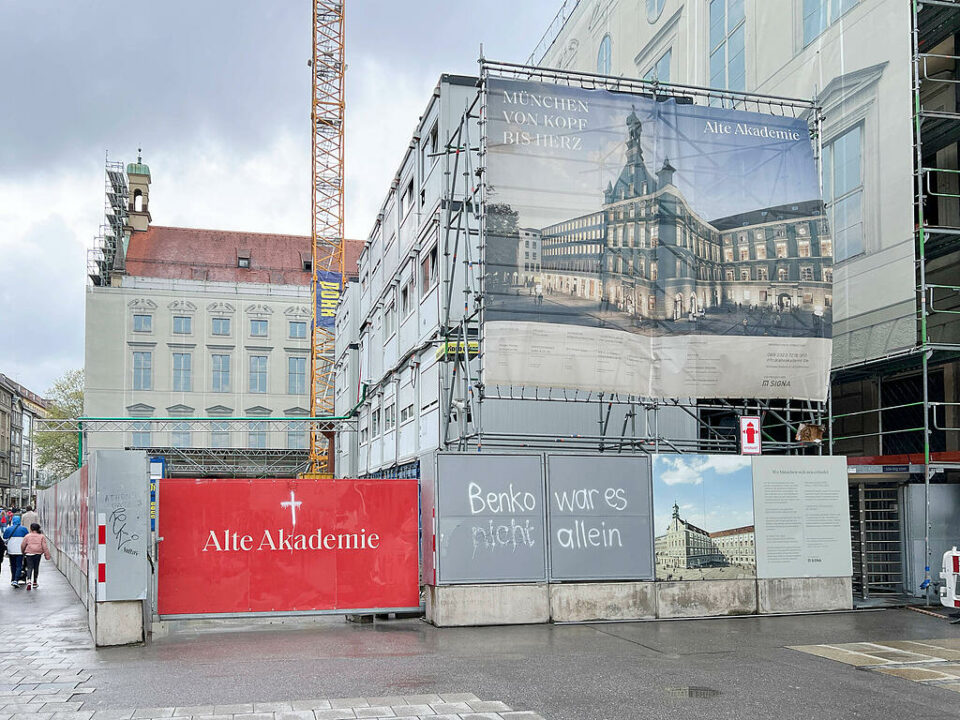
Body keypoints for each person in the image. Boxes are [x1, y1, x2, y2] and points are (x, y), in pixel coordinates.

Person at [20, 523, 50, 591]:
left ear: (31, 528)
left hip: (29, 553)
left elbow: (23, 545)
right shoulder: (41, 536)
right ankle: (35, 582)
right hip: (38, 553)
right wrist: (47, 555)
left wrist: (23, 552)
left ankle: (29, 581)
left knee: (29, 567)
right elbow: (44, 546)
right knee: (36, 567)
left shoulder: (27, 536)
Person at [3, 516, 28, 587]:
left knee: (12, 565)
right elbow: (27, 538)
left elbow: (4, 538)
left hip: (11, 550)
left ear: (13, 521)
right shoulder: (24, 529)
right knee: (19, 565)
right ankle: (16, 580)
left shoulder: (8, 529)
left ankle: (13, 578)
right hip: (20, 550)